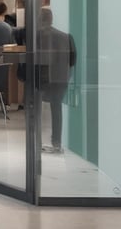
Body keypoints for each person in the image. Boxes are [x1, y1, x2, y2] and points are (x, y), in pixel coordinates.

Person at [37, 9, 76, 154]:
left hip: (41, 78)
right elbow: (72, 60)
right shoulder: (66, 37)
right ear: (52, 19)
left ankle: (37, 142)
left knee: (36, 110)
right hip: (60, 77)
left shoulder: (36, 37)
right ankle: (56, 142)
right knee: (56, 109)